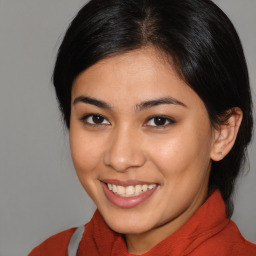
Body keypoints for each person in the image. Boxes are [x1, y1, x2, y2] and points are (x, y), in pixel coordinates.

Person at [29, 0, 256, 255]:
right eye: (96, 118)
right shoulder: (53, 251)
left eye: (159, 120)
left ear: (222, 133)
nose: (120, 158)